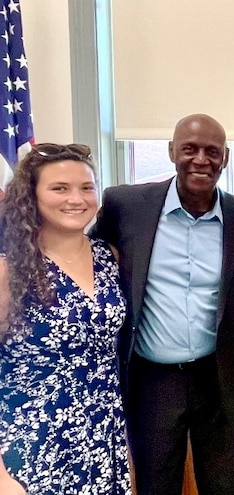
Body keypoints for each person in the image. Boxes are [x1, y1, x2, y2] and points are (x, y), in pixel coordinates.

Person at [92, 114, 234, 495]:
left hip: (217, 376)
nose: (201, 160)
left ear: (226, 158)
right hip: (152, 378)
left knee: (222, 485)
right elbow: (85, 255)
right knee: (157, 484)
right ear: (172, 152)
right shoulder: (126, 204)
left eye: (212, 151)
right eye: (189, 149)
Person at [0, 144, 130, 494]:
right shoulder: (8, 268)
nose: (76, 198)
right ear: (31, 196)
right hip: (31, 444)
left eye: (86, 187)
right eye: (60, 188)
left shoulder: (110, 258)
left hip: (103, 439)